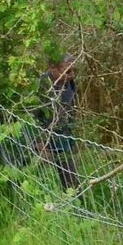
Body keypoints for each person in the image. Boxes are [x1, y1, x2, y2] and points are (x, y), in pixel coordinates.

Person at [41, 56, 80, 192]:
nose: (72, 75)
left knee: (71, 179)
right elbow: (32, 115)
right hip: (44, 139)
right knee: (40, 178)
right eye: (67, 71)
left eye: (74, 71)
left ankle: (73, 199)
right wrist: (40, 142)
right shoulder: (42, 86)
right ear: (53, 68)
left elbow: (71, 111)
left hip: (64, 139)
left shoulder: (70, 84)